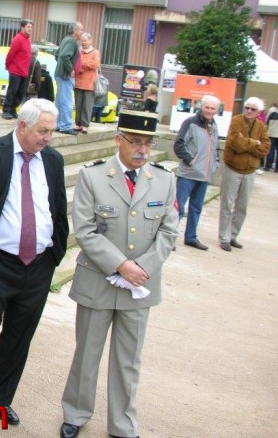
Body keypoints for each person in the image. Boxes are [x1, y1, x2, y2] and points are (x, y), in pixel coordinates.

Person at [0, 98, 69, 438]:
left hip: (39, 266)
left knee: (19, 339)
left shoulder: (53, 160)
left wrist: (55, 253)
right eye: (42, 131)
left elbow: (58, 207)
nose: (48, 137)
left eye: (51, 131)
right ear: (22, 126)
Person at [60, 110, 178, 438]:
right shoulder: (93, 176)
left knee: (129, 360)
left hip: (140, 286)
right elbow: (85, 230)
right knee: (87, 354)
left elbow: (169, 232)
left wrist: (142, 269)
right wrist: (120, 265)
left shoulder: (164, 180)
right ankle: (76, 414)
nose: (143, 149)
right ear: (118, 139)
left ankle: (123, 424)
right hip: (97, 281)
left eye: (148, 143)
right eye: (136, 142)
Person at [218, 97, 270, 251]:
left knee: (242, 206)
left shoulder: (261, 126)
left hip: (250, 170)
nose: (249, 111)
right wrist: (254, 142)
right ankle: (224, 237)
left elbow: (265, 148)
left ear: (258, 112)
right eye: (247, 107)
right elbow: (235, 143)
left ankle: (232, 235)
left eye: (253, 109)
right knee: (227, 204)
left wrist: (246, 143)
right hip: (233, 168)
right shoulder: (236, 121)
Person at [173, 95, 220, 251]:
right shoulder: (190, 122)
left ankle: (191, 237)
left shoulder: (214, 126)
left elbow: (216, 147)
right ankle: (169, 238)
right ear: (201, 107)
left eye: (212, 108)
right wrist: (190, 161)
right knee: (178, 208)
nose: (209, 111)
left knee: (196, 208)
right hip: (188, 174)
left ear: (216, 110)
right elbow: (179, 144)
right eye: (207, 107)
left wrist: (216, 163)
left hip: (205, 175)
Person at [54, 21, 83, 135]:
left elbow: (57, 54)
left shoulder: (65, 39)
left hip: (60, 74)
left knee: (60, 101)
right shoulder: (71, 42)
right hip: (65, 76)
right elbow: (64, 55)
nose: (82, 32)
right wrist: (70, 69)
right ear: (75, 31)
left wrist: (61, 66)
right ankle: (66, 126)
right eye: (81, 30)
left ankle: (58, 124)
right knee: (67, 102)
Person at [2, 19, 34, 120]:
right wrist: (7, 65)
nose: (30, 29)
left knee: (21, 92)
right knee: (12, 91)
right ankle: (6, 110)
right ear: (22, 27)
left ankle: (13, 109)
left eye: (31, 27)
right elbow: (11, 54)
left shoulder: (28, 40)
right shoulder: (18, 39)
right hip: (15, 70)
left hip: (24, 71)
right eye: (28, 27)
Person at [73, 32, 100, 134]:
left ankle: (85, 125)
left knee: (87, 105)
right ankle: (78, 124)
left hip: (89, 83)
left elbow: (95, 64)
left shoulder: (95, 52)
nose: (83, 42)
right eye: (82, 41)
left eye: (85, 40)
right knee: (78, 104)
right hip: (78, 81)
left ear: (90, 41)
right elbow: (75, 63)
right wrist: (83, 66)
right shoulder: (78, 51)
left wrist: (82, 64)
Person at [264, 101, 278, 172]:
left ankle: (268, 167)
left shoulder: (272, 110)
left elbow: (266, 121)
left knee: (270, 150)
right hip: (273, 133)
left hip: (272, 133)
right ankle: (277, 169)